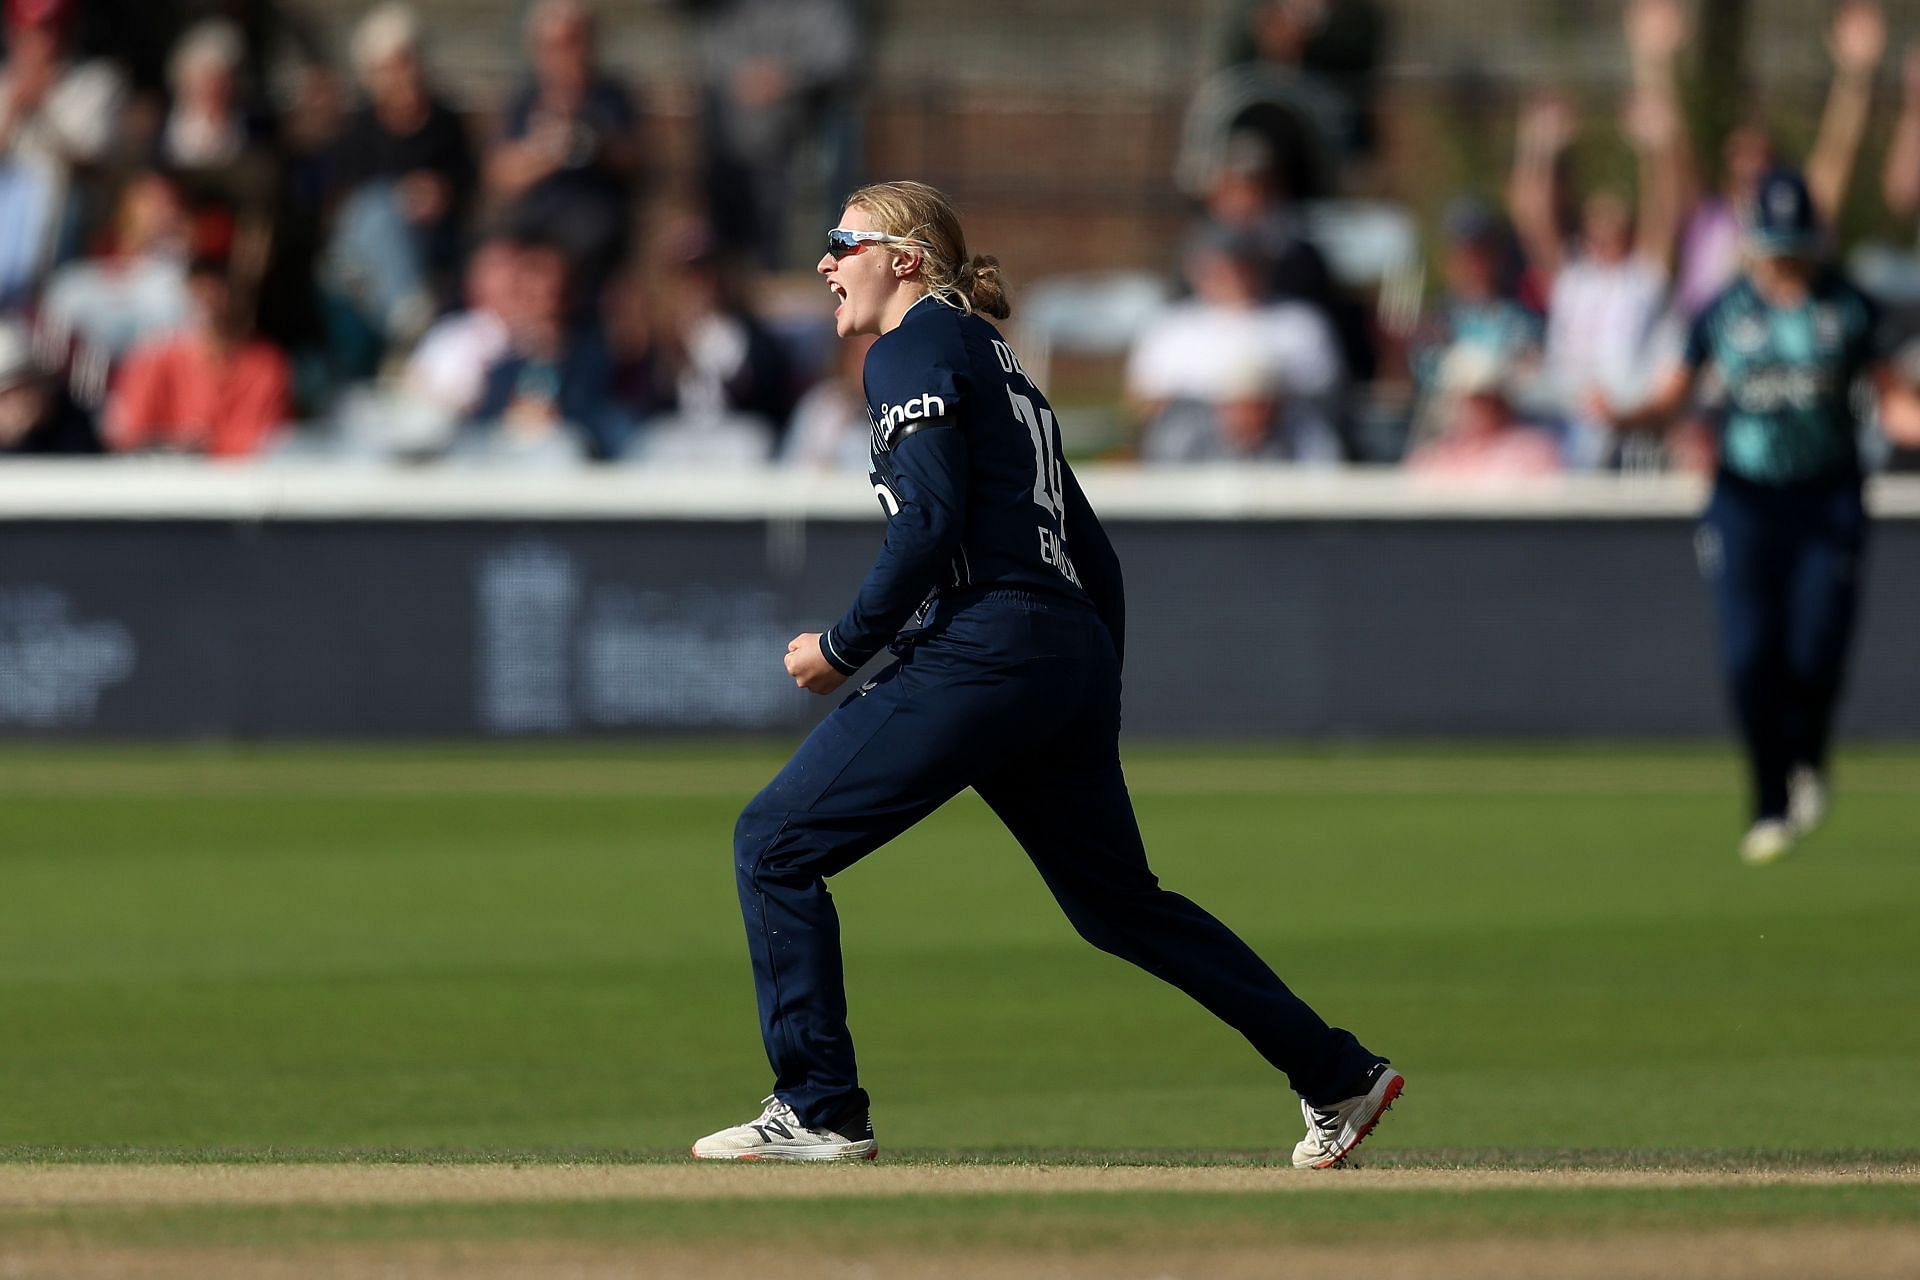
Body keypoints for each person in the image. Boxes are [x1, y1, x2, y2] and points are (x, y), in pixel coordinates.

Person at [691, 180, 1401, 1167]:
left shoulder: (912, 348)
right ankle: (1335, 1071)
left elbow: (930, 524)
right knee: (1120, 903)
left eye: (841, 242)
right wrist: (1085, 678)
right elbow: (1090, 545)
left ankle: (819, 1104)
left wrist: (845, 646)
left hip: (988, 642)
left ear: (903, 259)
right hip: (1055, 643)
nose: (824, 261)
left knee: (773, 843)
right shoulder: (997, 360)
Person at [1591, 171, 1890, 866]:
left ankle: (1808, 753)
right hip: (1745, 498)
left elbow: (1893, 400)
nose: (1785, 267)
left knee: (1815, 645)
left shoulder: (1845, 309)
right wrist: (1627, 414)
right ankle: (1767, 798)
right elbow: (1675, 394)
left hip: (1826, 495)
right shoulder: (1724, 313)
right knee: (1749, 654)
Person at [104, 254, 291, 457]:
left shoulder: (267, 365)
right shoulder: (156, 358)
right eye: (200, 288)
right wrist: (172, 445)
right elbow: (125, 434)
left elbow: (267, 443)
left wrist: (209, 447)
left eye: (221, 288)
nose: (211, 299)